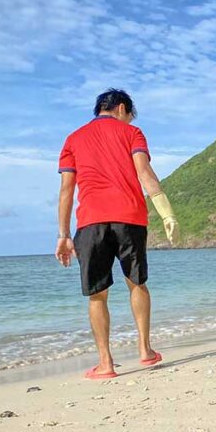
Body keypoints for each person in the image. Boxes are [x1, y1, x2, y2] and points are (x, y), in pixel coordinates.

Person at [55, 89, 179, 379]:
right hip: (130, 218)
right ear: (121, 108)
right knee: (137, 284)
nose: (129, 120)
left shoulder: (73, 139)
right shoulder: (132, 133)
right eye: (130, 115)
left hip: (90, 223)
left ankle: (106, 364)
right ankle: (145, 351)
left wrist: (63, 234)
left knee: (97, 295)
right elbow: (145, 173)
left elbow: (66, 191)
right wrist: (167, 213)